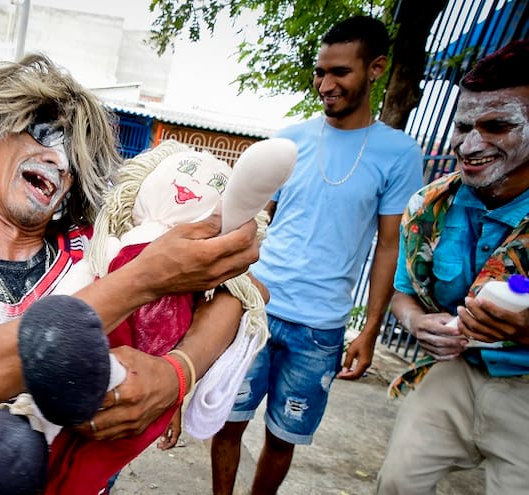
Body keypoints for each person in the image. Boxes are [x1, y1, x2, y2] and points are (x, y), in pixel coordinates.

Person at [0, 54, 261, 495]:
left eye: (75, 154)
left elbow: (241, 291)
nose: (58, 158)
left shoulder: (95, 249)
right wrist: (144, 280)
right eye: (45, 132)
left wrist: (176, 375)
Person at [210, 15, 424, 495]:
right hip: (257, 307)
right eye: (319, 72)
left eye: (340, 73)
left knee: (283, 437)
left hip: (320, 329)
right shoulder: (291, 140)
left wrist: (368, 330)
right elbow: (254, 220)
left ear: (376, 69)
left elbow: (390, 245)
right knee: (227, 419)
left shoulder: (399, 154)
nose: (325, 85)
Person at [377, 39, 529, 494]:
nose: (471, 143)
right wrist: (416, 321)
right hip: (459, 369)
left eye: (497, 125)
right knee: (398, 483)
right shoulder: (430, 206)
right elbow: (402, 292)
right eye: (463, 126)